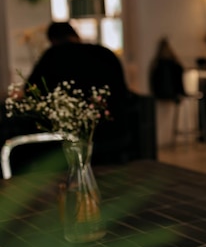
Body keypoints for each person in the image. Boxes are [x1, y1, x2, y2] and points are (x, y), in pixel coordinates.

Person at [25, 21, 133, 165]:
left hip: (73, 141)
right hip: (116, 134)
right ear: (76, 35)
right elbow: (124, 93)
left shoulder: (52, 56)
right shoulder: (104, 53)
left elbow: (31, 92)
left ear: (52, 40)